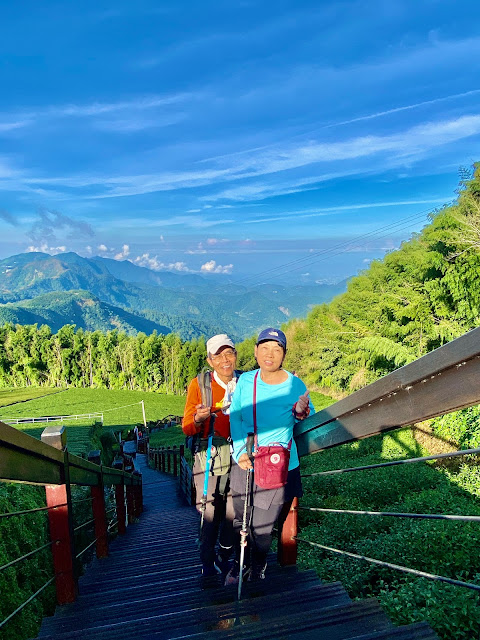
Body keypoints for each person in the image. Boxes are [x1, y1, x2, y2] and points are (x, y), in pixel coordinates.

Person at [226, 328, 314, 584]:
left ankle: (258, 565)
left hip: (278, 464)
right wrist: (240, 451)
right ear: (255, 352)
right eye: (264, 348)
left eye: (277, 349)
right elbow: (237, 416)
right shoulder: (246, 381)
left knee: (262, 527)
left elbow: (306, 413)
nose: (270, 354)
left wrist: (300, 410)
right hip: (247, 460)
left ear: (284, 355)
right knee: (242, 520)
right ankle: (239, 563)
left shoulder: (294, 384)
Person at [182, 334, 240, 578]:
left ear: (236, 355)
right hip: (209, 455)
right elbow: (186, 426)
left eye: (229, 354)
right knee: (208, 511)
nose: (225, 360)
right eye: (218, 356)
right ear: (210, 360)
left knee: (232, 511)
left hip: (239, 455)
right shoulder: (200, 385)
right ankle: (206, 564)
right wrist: (198, 418)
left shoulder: (247, 382)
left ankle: (225, 556)